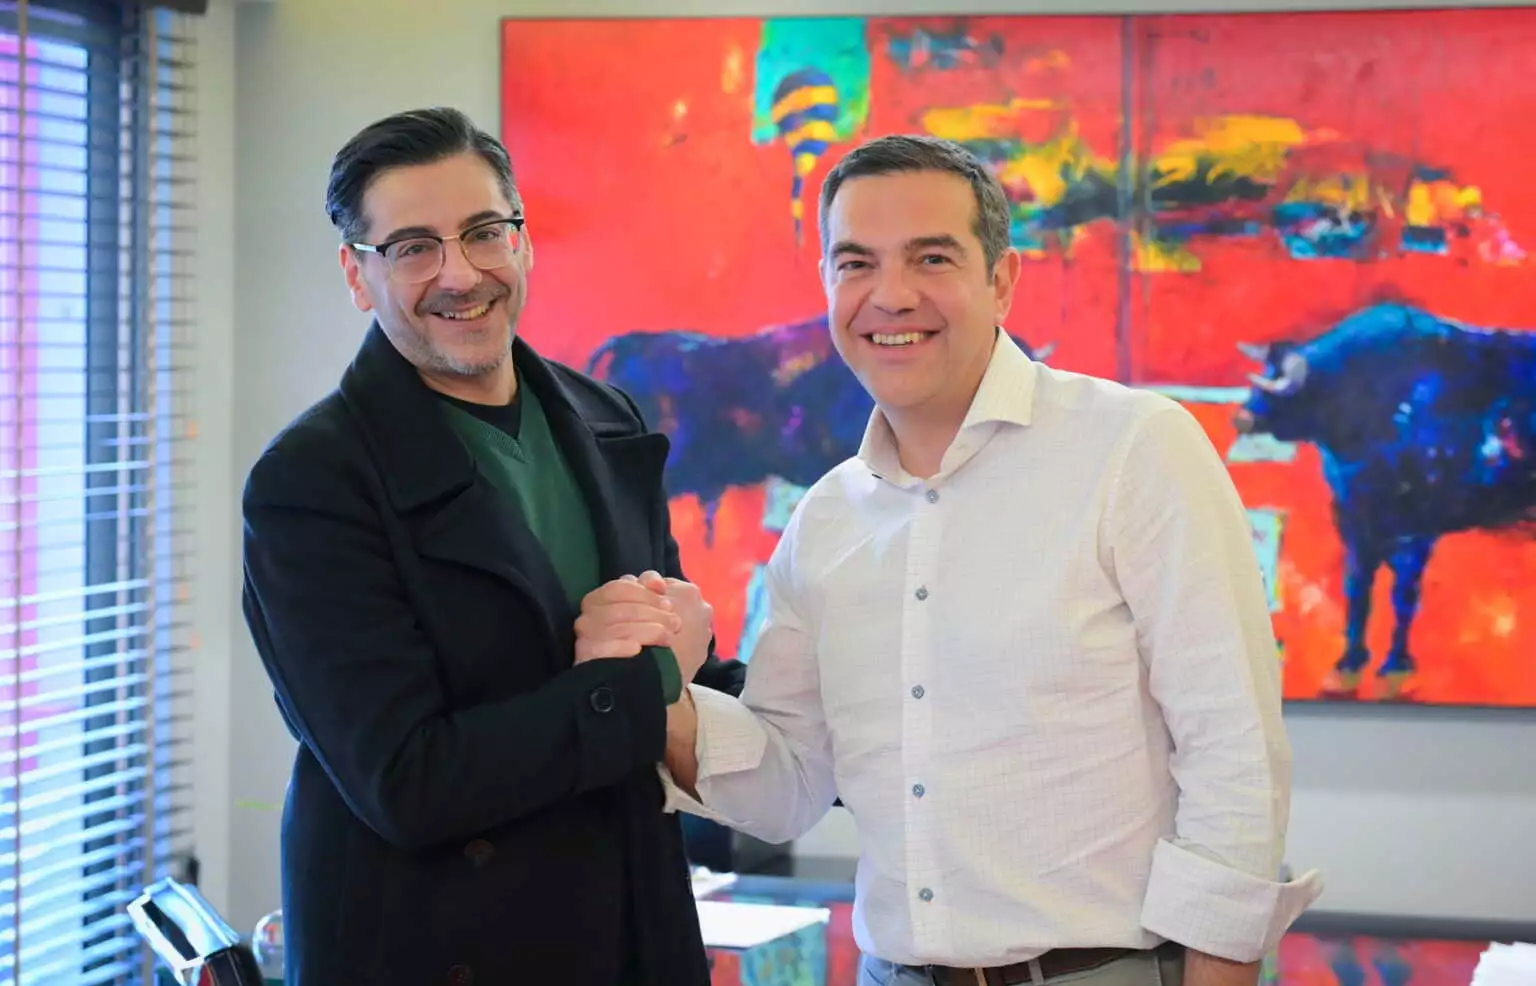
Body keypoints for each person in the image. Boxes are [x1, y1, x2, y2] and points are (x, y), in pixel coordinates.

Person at [639, 134, 1325, 986]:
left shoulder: (1134, 448)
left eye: (931, 258)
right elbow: (788, 786)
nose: (891, 295)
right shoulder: (826, 521)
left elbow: (1233, 753)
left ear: (1002, 280)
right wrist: (657, 686)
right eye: (856, 263)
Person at [240, 106, 742, 986]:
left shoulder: (606, 418)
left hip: (628, 928)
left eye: (483, 232)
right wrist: (650, 678)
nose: (460, 274)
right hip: (435, 948)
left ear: (524, 241)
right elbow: (407, 782)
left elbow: (682, 665)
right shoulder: (312, 481)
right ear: (358, 275)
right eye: (413, 248)